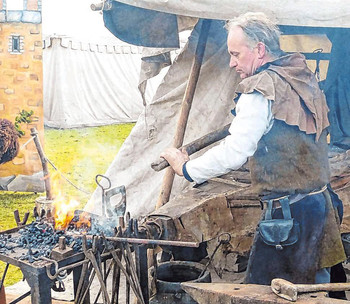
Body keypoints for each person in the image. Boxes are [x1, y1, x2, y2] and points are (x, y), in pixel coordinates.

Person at [160, 12, 346, 288]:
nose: (232, 63)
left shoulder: (261, 89)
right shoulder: (300, 75)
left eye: (236, 54)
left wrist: (186, 168)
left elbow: (236, 151)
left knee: (264, 292)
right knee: (315, 288)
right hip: (319, 207)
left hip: (289, 222)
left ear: (259, 50)